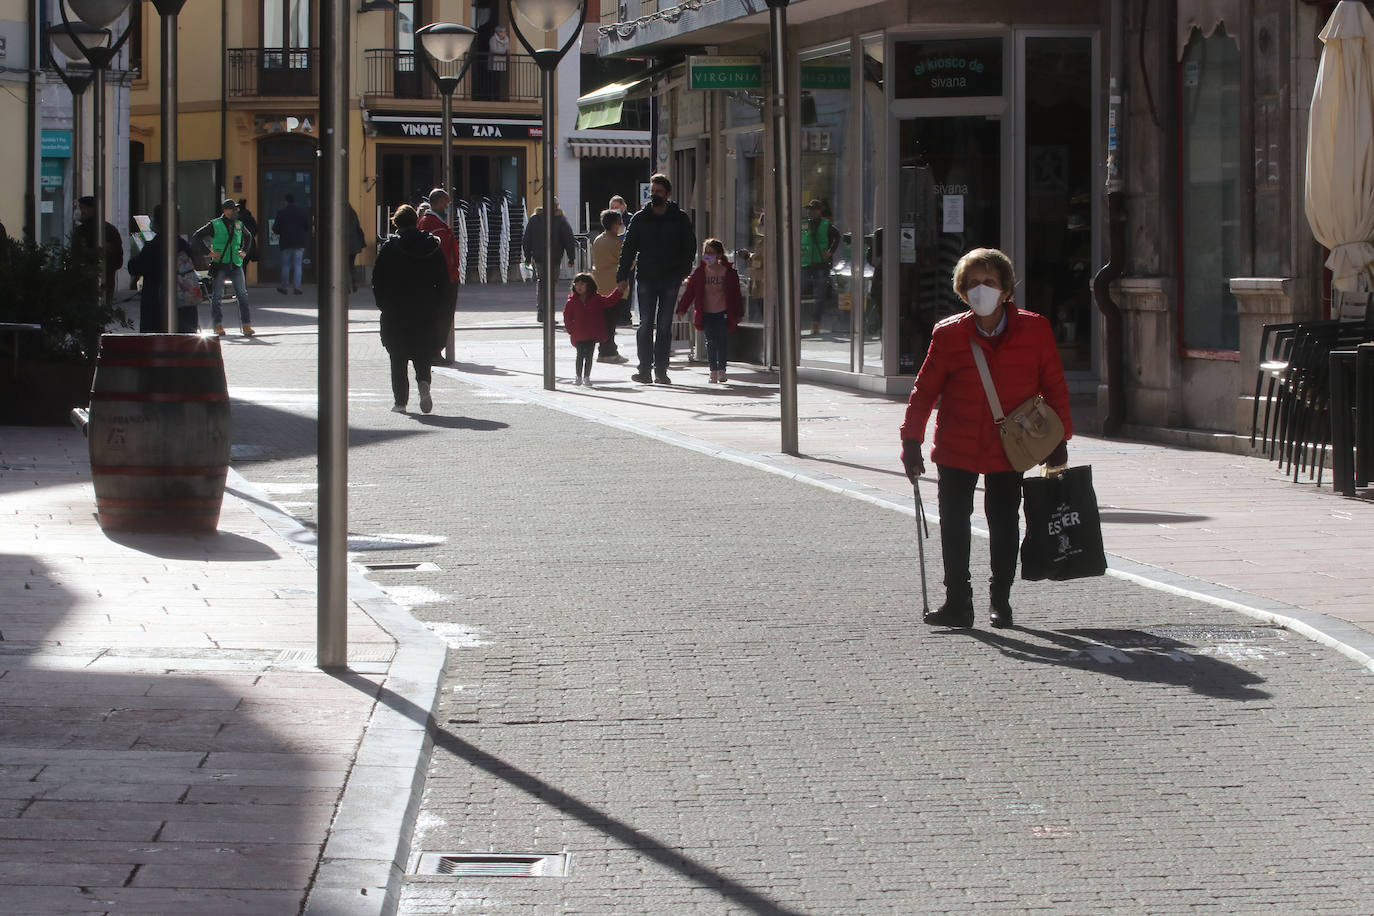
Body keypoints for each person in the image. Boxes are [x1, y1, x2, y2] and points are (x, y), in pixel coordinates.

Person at [899, 247, 1072, 630]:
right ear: (962, 291)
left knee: (1004, 521)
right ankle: (958, 601)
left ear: (1006, 289)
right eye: (973, 283)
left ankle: (1001, 600)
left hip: (1012, 446)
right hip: (957, 445)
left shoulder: (1035, 329)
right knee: (954, 522)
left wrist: (1060, 439)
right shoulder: (948, 334)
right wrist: (911, 441)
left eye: (990, 282)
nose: (982, 290)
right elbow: (924, 391)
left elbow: (1055, 385)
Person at [616, 173, 696, 385]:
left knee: (663, 326)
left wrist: (683, 271)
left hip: (670, 277)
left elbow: (689, 247)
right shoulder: (640, 218)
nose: (654, 196)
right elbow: (628, 248)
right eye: (652, 192)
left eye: (658, 192)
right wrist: (622, 275)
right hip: (646, 277)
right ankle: (644, 370)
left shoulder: (679, 218)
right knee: (645, 324)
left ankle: (661, 370)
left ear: (668, 194)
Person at [371, 204, 449, 414]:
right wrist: (438, 306)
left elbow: (377, 279)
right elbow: (443, 280)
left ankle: (400, 402)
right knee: (422, 354)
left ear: (396, 223)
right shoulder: (433, 246)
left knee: (397, 357)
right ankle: (424, 382)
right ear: (416, 221)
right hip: (425, 309)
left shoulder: (389, 247)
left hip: (396, 310)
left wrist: (383, 304)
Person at [675, 238, 744, 383]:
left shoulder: (728, 273)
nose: (707, 256)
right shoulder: (700, 272)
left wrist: (738, 312)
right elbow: (690, 292)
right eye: (706, 252)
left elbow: (735, 294)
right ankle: (713, 370)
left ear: (719, 255)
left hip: (722, 311)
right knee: (711, 342)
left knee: (722, 341)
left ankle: (722, 370)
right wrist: (682, 308)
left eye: (711, 253)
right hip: (706, 312)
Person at [127, 204, 197, 333]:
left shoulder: (154, 246)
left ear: (159, 221)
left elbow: (133, 267)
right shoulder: (183, 244)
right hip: (184, 305)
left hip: (156, 306)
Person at [193, 199, 254, 337]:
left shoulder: (239, 224)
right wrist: (208, 252)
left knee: (242, 295)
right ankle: (218, 326)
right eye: (233, 209)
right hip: (220, 264)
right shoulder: (215, 224)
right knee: (217, 296)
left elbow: (248, 236)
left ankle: (246, 325)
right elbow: (197, 236)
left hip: (236, 263)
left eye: (236, 209)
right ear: (226, 211)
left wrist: (244, 251)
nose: (236, 211)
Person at [417, 188, 462, 361]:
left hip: (444, 276)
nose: (447, 206)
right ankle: (434, 351)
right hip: (442, 278)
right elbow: (439, 253)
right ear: (436, 202)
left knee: (441, 315)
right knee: (441, 315)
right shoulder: (432, 224)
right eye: (445, 203)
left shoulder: (434, 222)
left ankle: (435, 351)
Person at [562, 272, 625, 387]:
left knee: (589, 357)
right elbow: (567, 317)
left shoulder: (596, 299)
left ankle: (586, 376)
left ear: (589, 285)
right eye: (577, 284)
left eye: (582, 284)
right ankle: (578, 376)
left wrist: (619, 291)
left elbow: (609, 301)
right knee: (580, 356)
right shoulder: (571, 302)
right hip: (579, 334)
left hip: (591, 334)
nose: (579, 286)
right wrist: (571, 330)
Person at [523, 200, 576, 323]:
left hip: (539, 258)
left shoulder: (534, 219)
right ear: (557, 206)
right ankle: (548, 314)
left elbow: (527, 239)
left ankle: (541, 312)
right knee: (551, 285)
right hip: (554, 258)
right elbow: (569, 239)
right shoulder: (561, 219)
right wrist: (571, 257)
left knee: (542, 283)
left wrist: (527, 257)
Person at [590, 208, 628, 364]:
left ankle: (605, 349)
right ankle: (609, 351)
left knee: (605, 320)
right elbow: (629, 263)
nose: (621, 224)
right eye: (619, 222)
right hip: (615, 285)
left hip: (599, 284)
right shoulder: (618, 242)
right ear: (614, 224)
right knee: (611, 322)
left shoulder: (598, 239)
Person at [74, 195, 123, 307]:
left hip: (88, 283)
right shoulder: (110, 229)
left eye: (82, 208)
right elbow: (118, 260)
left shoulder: (81, 231)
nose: (81, 212)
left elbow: (76, 256)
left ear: (92, 209)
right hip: (106, 282)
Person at [800, 198, 840, 334]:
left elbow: (837, 236)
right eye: (810, 209)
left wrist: (830, 251)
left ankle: (815, 322)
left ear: (820, 211)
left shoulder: (826, 224)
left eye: (814, 209)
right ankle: (797, 321)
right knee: (798, 291)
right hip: (805, 263)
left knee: (819, 295)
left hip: (820, 264)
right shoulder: (804, 224)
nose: (811, 212)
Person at [271, 194, 311, 295]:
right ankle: (297, 287)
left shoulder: (281, 212)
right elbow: (307, 226)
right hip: (299, 242)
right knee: (298, 265)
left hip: (286, 242)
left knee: (286, 266)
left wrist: (283, 231)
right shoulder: (302, 212)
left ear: (286, 201)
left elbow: (275, 229)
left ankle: (284, 287)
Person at [346, 202, 367, 292]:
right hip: (354, 245)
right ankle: (354, 283)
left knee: (343, 266)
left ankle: (346, 286)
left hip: (344, 245)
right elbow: (358, 228)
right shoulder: (353, 214)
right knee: (351, 264)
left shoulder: (340, 214)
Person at [487, 25, 510, 100]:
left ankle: (499, 96)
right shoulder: (493, 39)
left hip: (502, 63)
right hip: (495, 62)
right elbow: (494, 50)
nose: (505, 33)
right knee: (494, 79)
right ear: (499, 33)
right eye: (503, 31)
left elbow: (507, 49)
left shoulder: (506, 39)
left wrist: (505, 52)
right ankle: (493, 97)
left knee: (501, 80)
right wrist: (504, 52)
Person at [237, 199, 260, 266]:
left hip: (240, 245)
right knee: (244, 264)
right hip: (250, 245)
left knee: (240, 265)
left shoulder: (238, 218)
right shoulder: (250, 217)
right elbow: (256, 229)